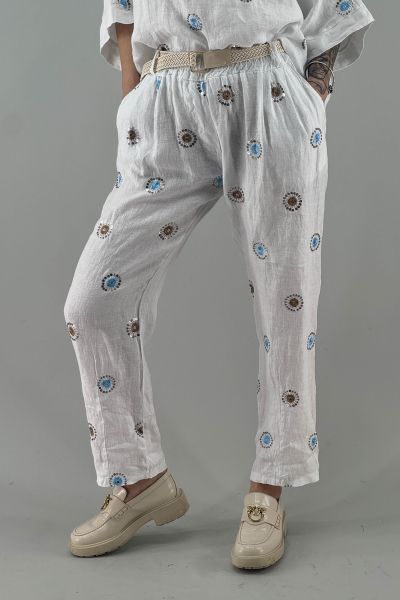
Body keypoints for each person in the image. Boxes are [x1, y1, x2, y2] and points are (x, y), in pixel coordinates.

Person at [64, 0, 374, 567]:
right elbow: (124, 10)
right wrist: (133, 100)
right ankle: (138, 479)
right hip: (165, 97)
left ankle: (269, 487)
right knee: (92, 304)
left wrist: (312, 92)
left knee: (285, 301)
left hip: (267, 91)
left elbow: (335, 7)